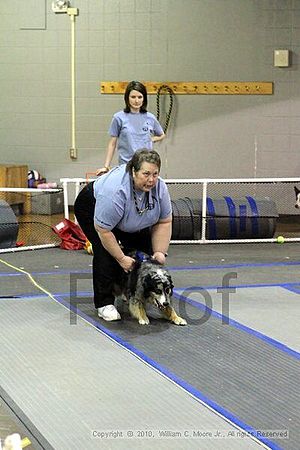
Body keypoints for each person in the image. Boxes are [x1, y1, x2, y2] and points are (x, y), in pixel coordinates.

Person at [74, 149, 172, 322]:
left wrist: (160, 252)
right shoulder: (115, 191)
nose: (151, 180)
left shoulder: (160, 189)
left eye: (155, 174)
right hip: (92, 206)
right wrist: (120, 258)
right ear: (134, 172)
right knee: (106, 253)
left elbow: (164, 222)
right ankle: (104, 303)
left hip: (131, 215)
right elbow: (104, 231)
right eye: (146, 174)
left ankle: (131, 292)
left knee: (143, 254)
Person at [96, 81, 165, 176]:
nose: (136, 100)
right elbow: (112, 143)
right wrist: (106, 166)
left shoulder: (150, 117)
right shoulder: (118, 117)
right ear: (127, 98)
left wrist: (151, 139)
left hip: (146, 168)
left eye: (140, 97)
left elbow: (161, 135)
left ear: (144, 98)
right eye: (133, 97)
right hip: (126, 166)